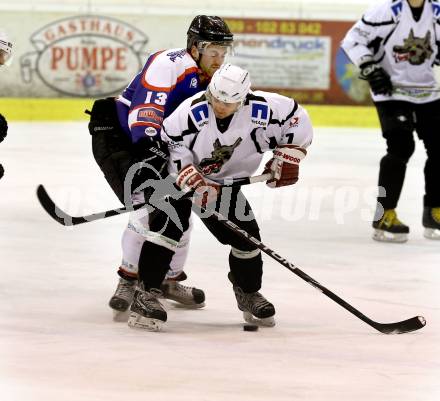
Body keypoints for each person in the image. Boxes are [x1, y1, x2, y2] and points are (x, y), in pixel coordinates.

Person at [126, 63, 313, 331]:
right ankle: (146, 294)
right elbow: (169, 142)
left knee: (246, 237)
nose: (220, 106)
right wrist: (189, 176)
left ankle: (248, 292)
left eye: (229, 102)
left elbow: (297, 117)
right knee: (168, 227)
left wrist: (289, 156)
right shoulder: (191, 112)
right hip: (177, 179)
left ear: (243, 98)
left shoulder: (264, 109)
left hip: (224, 184)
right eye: (216, 98)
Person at [88, 16, 234, 319]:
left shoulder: (214, 78)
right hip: (121, 136)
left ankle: (167, 279)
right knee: (146, 211)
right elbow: (146, 112)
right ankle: (127, 279)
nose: (219, 60)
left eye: (224, 53)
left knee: (178, 217)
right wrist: (150, 150)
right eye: (214, 53)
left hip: (159, 142)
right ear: (196, 48)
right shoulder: (170, 63)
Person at [341, 0, 440, 242]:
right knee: (401, 147)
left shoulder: (436, 11)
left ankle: (434, 212)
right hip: (391, 90)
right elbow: (353, 40)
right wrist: (370, 67)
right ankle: (384, 214)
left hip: (428, 91)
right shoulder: (385, 11)